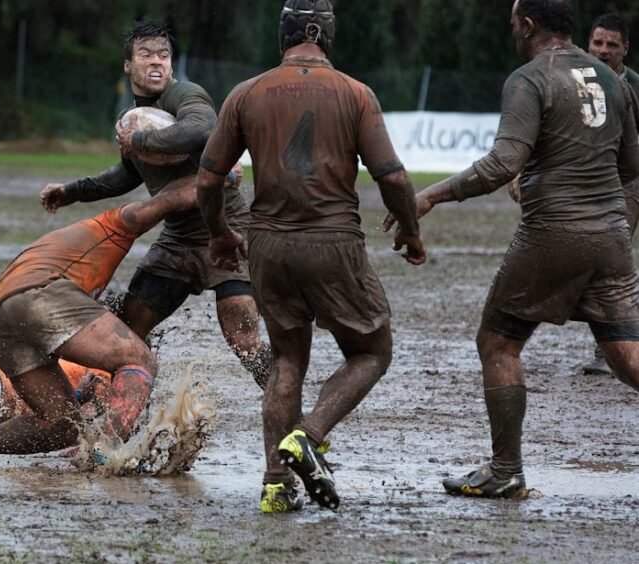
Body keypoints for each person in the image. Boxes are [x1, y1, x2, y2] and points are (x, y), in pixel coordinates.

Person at [387, 0, 639, 499]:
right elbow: (632, 165)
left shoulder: (528, 78)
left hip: (553, 233)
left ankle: (507, 471)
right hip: (612, 234)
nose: (511, 32)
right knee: (627, 356)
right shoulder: (615, 81)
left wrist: (430, 195)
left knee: (497, 342)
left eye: (512, 25)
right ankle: (505, 470)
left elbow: (503, 162)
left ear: (527, 25)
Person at [195, 0, 426, 513]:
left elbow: (208, 179)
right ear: (323, 34)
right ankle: (309, 435)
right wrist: (410, 229)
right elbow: (394, 177)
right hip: (331, 241)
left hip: (268, 246)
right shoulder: (355, 93)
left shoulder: (245, 93)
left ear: (286, 35)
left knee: (287, 358)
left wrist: (219, 234)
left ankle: (276, 484)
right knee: (372, 351)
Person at [39, 20, 273, 388]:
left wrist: (143, 141)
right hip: (177, 241)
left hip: (227, 231)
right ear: (127, 65)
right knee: (129, 330)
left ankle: (286, 400)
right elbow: (128, 174)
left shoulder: (185, 95)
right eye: (145, 54)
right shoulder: (130, 119)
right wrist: (72, 191)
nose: (156, 62)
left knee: (242, 339)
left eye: (163, 55)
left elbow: (201, 129)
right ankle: (132, 408)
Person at [0, 175, 220, 469]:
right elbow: (165, 201)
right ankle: (106, 449)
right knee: (139, 359)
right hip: (39, 297)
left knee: (64, 425)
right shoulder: (111, 223)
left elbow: (21, 296)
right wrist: (217, 175)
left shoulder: (57, 247)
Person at [581, 12, 639, 375]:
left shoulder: (633, 87)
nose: (602, 51)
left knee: (612, 262)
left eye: (611, 45)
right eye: (597, 43)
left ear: (625, 50)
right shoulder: (573, 80)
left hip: (629, 182)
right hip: (588, 183)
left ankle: (610, 350)